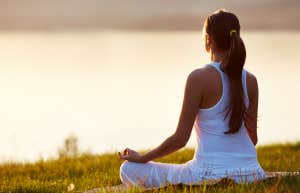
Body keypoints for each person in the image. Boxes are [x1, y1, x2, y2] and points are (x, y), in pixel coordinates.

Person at [118, 9, 266, 189]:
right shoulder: (250, 80)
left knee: (128, 169)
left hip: (207, 175)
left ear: (208, 39)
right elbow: (253, 139)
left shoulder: (198, 78)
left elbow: (180, 139)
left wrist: (141, 158)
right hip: (252, 173)